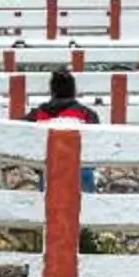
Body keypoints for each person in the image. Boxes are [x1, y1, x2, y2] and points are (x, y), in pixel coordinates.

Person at [29, 65, 98, 193]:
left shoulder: (37, 114)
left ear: (52, 91)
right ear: (73, 91)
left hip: (48, 171)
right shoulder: (86, 114)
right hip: (81, 172)